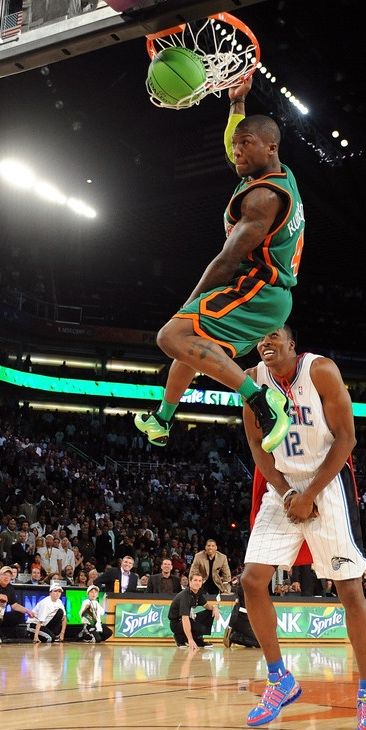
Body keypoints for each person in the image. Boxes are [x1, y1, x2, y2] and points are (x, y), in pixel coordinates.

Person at [134, 78, 304, 456]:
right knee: (194, 346)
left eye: (247, 145)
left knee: (171, 336)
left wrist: (188, 305)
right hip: (269, 295)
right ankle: (162, 418)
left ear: (270, 147)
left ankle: (265, 405)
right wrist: (237, 103)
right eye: (236, 145)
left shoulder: (261, 197)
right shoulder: (276, 172)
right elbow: (237, 141)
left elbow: (227, 260)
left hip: (258, 290)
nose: (237, 152)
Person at [240, 325, 366, 730]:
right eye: (260, 339)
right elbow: (256, 444)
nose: (265, 343)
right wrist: (287, 493)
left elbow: (347, 438)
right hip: (282, 485)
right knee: (252, 581)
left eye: (273, 337)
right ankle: (279, 679)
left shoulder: (320, 371)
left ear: (291, 345)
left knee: (349, 589)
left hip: (329, 482)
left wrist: (312, 493)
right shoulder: (252, 382)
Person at [168, 572, 220, 650]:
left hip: (189, 618)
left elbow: (206, 606)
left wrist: (215, 607)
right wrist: (190, 640)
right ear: (190, 581)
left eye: (199, 581)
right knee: (200, 628)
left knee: (209, 612)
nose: (197, 583)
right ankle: (180, 637)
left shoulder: (197, 593)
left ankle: (198, 639)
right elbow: (185, 618)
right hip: (177, 623)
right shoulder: (185, 596)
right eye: (195, 580)